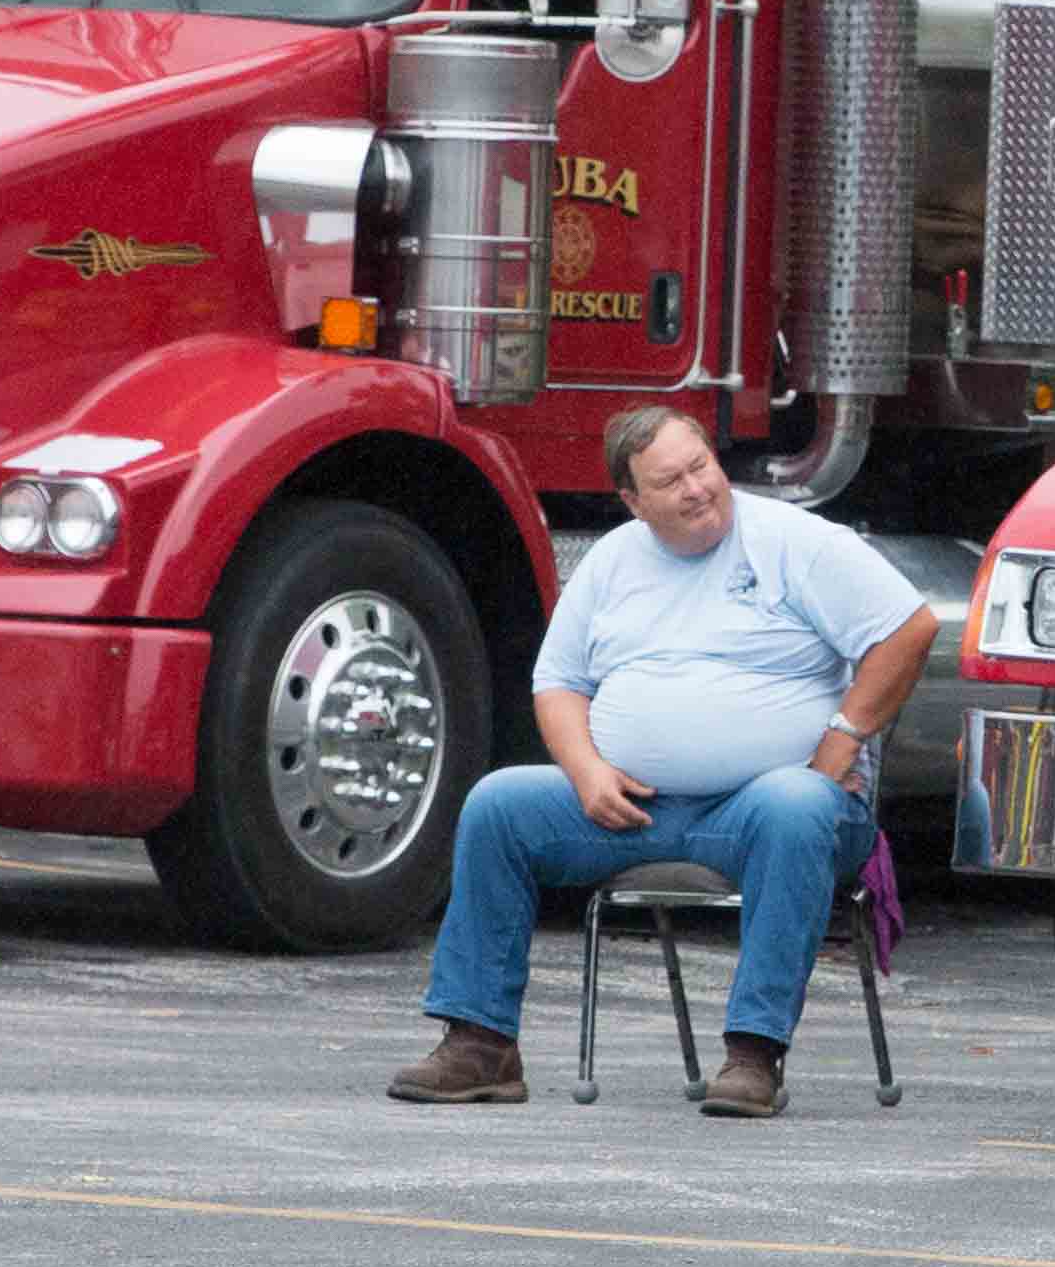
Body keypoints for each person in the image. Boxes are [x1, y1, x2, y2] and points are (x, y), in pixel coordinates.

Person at [389, 401, 936, 1118]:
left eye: (701, 466)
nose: (697, 489)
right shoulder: (613, 561)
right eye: (670, 481)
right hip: (634, 809)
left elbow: (910, 626)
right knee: (499, 806)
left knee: (796, 806)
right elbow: (558, 684)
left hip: (766, 806)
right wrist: (586, 771)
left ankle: (753, 1055)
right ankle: (479, 1044)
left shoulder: (795, 541)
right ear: (633, 501)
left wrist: (841, 741)